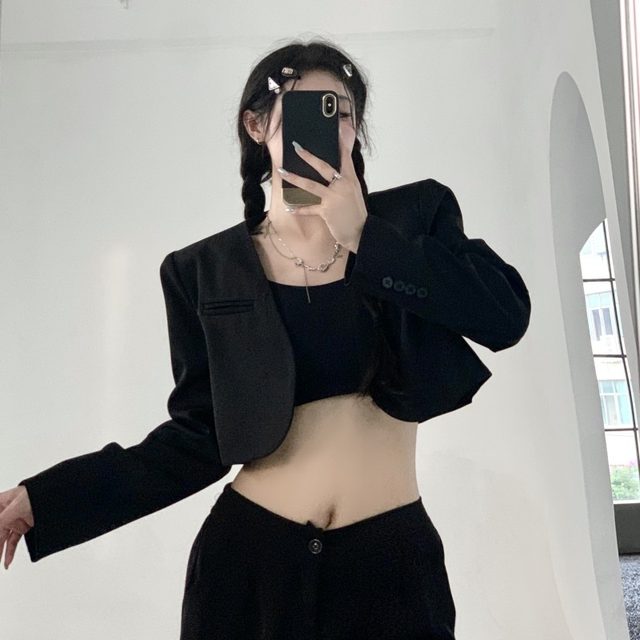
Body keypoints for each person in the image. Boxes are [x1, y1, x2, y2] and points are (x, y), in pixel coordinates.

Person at [0, 37, 531, 639]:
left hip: (391, 567)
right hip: (249, 566)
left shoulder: (414, 221)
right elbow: (197, 438)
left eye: (343, 112)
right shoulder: (203, 271)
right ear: (257, 126)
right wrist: (49, 500)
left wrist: (366, 237)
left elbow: (505, 316)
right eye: (308, 109)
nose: (329, 126)